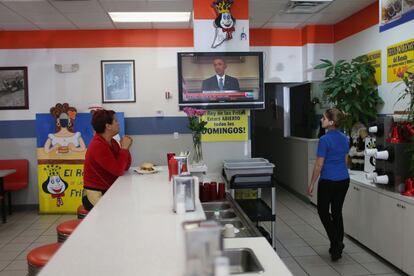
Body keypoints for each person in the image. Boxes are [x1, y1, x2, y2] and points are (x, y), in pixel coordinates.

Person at [307, 108, 349, 262]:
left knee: (323, 211)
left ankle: (335, 243)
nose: (321, 120)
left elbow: (319, 165)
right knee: (337, 211)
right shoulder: (345, 138)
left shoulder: (324, 140)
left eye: (324, 118)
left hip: (328, 181)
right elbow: (345, 161)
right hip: (343, 180)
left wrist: (311, 183)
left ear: (331, 122)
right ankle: (339, 242)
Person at [82, 109, 133, 211]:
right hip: (95, 193)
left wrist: (125, 149)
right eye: (115, 121)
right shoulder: (98, 145)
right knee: (116, 212)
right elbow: (118, 170)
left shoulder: (112, 142)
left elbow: (125, 166)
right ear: (108, 126)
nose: (118, 124)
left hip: (108, 189)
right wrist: (124, 149)